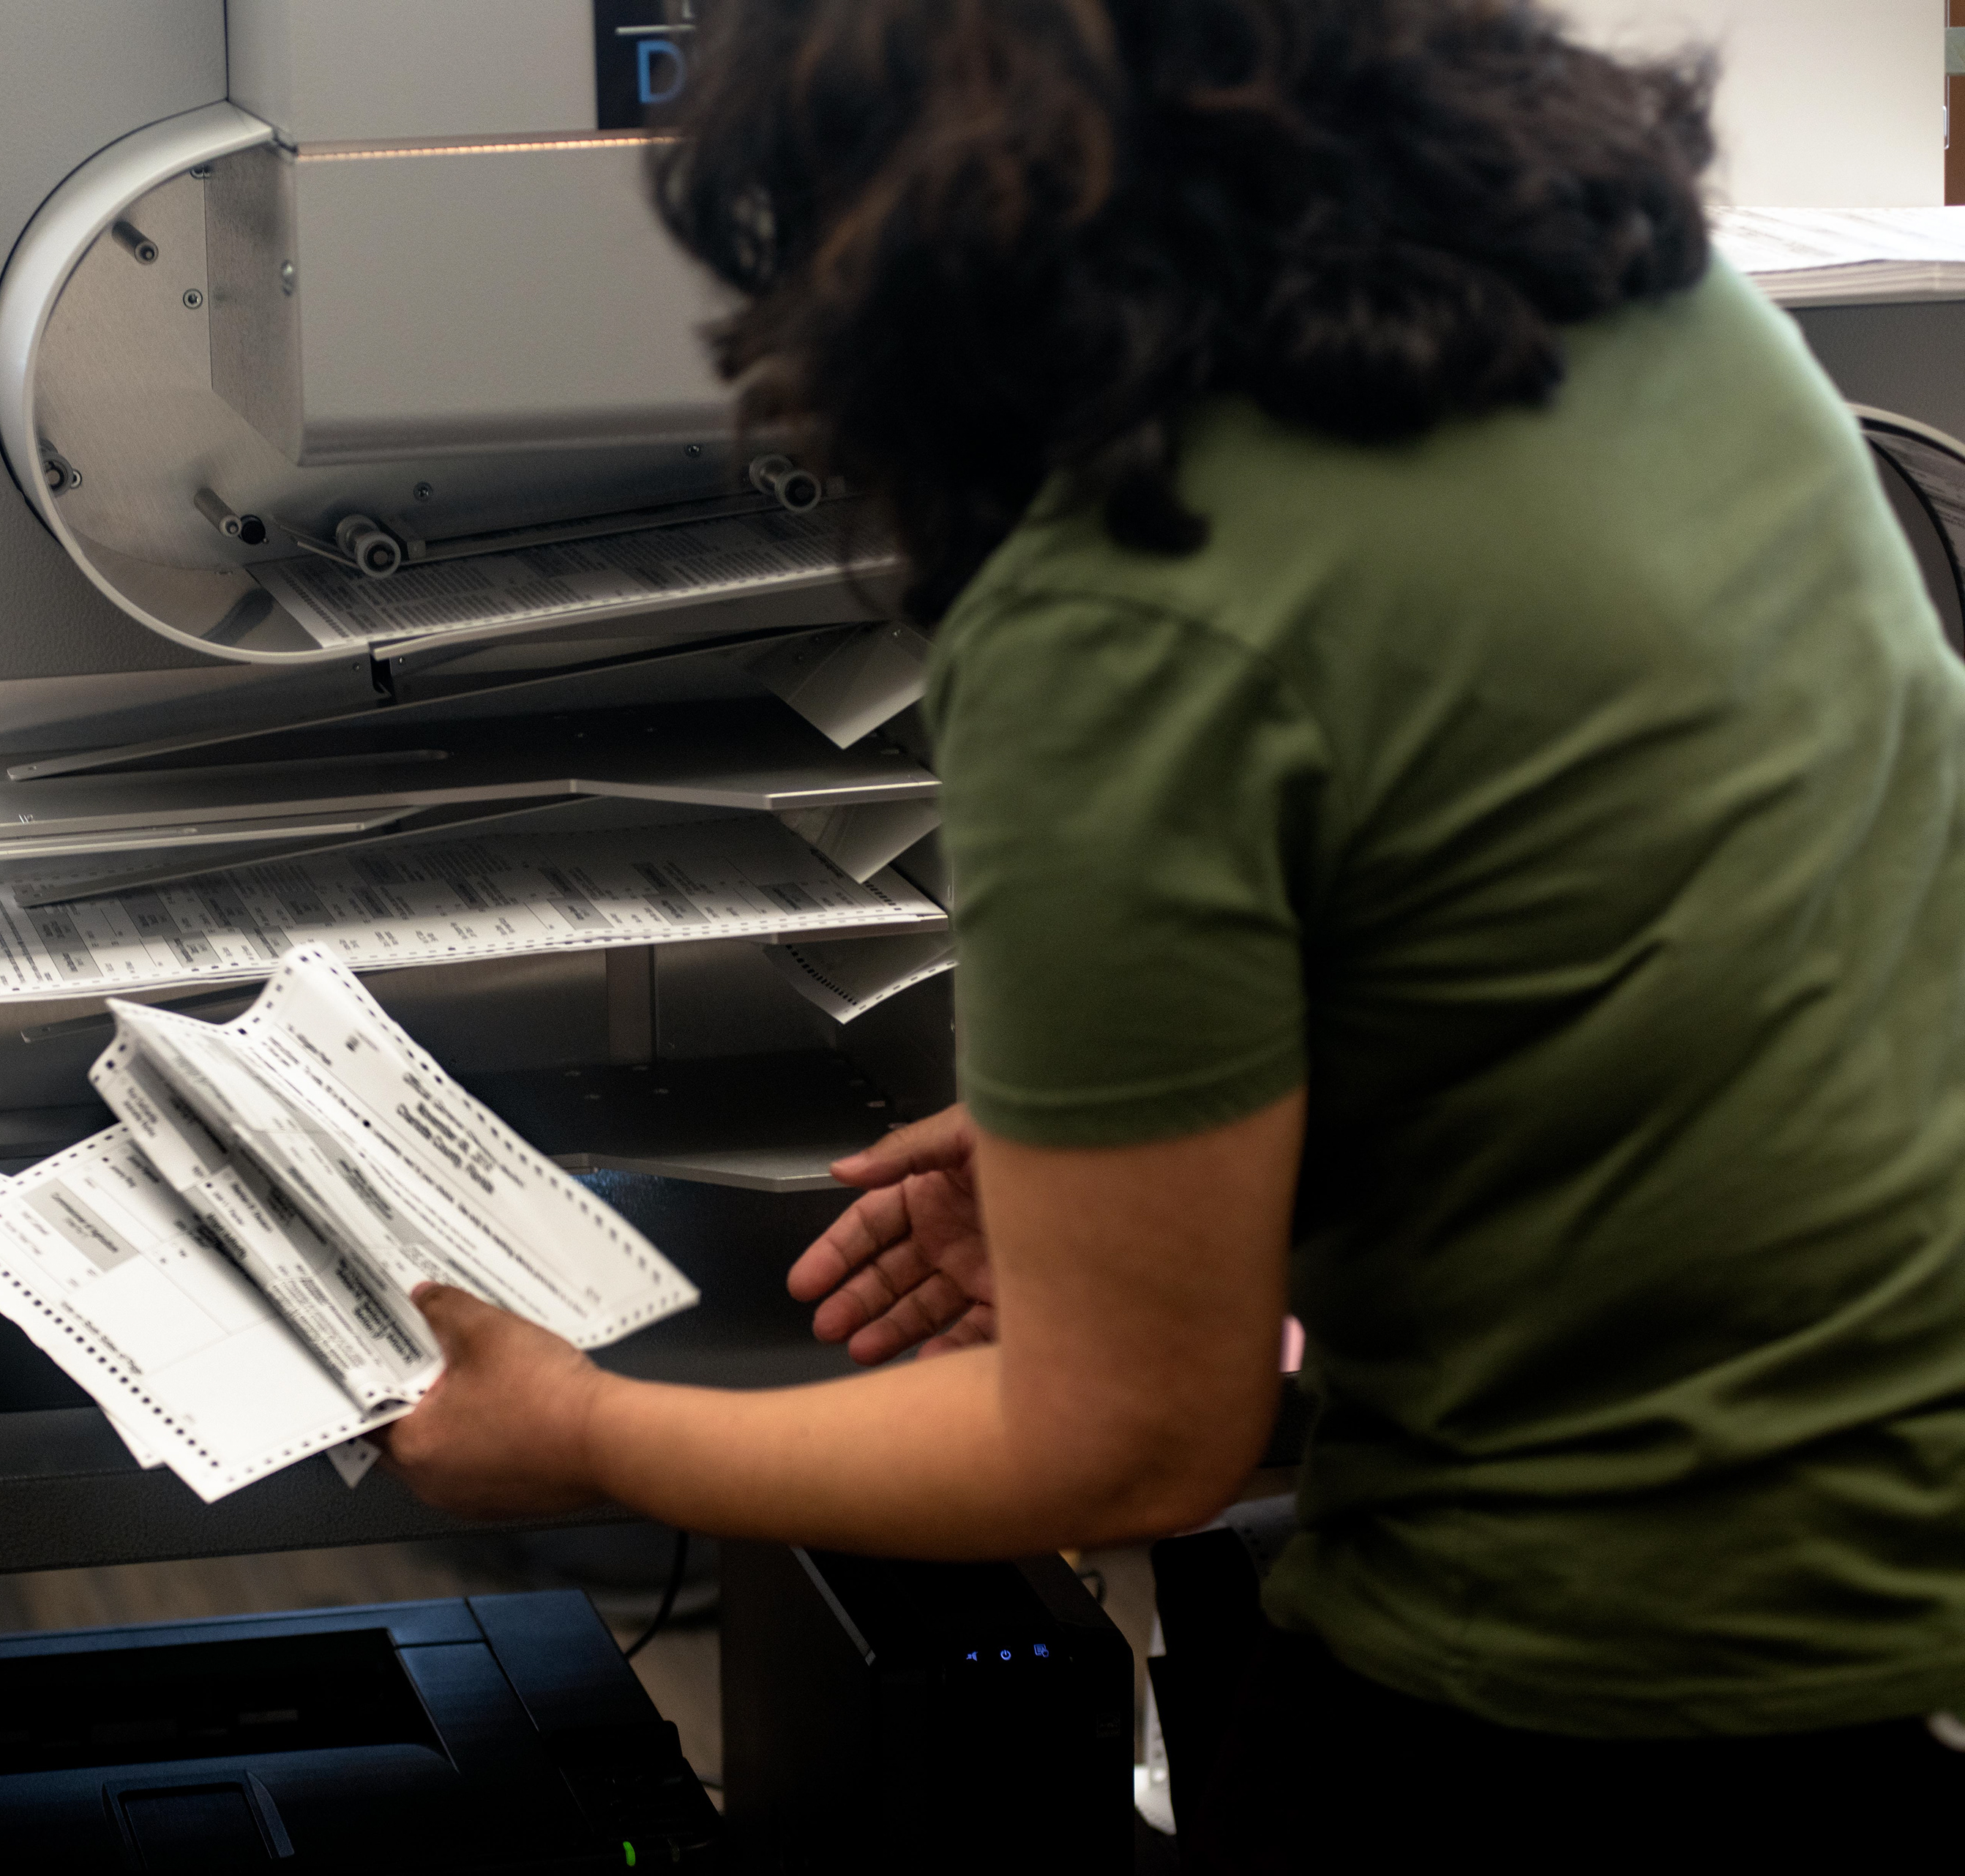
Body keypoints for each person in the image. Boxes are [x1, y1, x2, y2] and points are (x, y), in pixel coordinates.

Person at [377, 0, 1965, 1864]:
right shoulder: (1660, 306)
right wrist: (1163, 1172)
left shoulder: (1128, 600)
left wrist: (583, 1433)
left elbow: (1131, 1443)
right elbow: (1628, 948)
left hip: (1623, 1673)